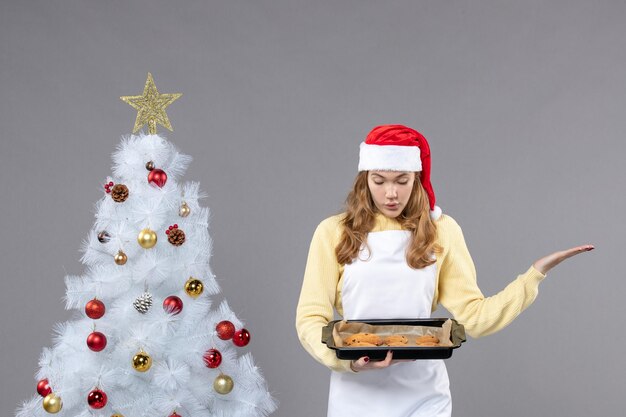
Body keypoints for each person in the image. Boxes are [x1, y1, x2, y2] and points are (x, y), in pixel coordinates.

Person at [295, 125, 593, 417]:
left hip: (423, 396)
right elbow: (310, 318)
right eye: (379, 180)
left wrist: (534, 275)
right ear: (364, 180)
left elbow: (475, 318)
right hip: (356, 394)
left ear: (417, 178)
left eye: (402, 180)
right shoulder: (333, 232)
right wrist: (346, 361)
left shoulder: (442, 231)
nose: (391, 194)